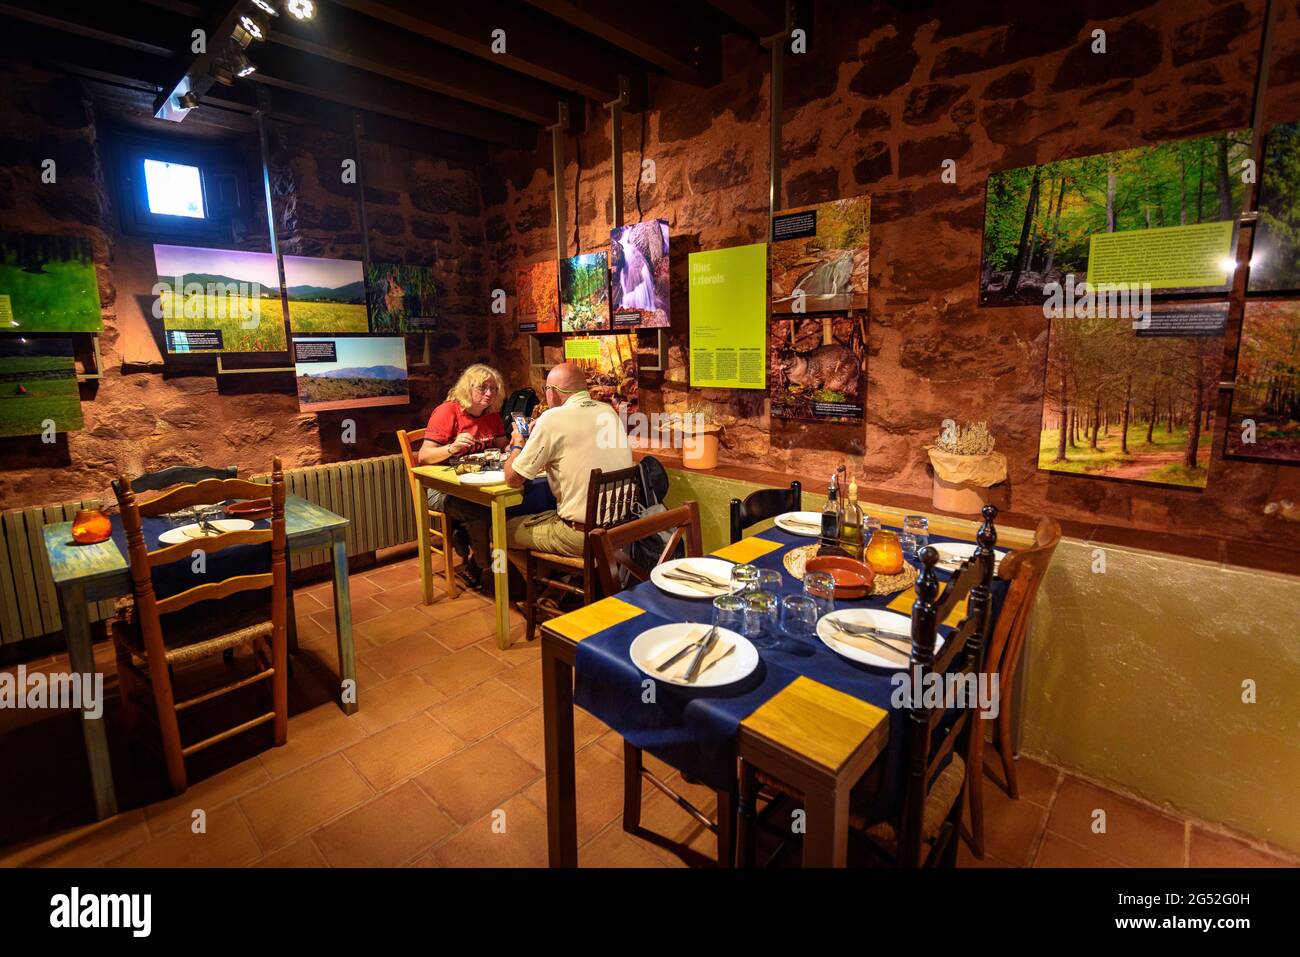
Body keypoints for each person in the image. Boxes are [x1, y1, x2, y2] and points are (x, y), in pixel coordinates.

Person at [502, 362, 633, 560]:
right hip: (620, 529)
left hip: (581, 536)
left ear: (553, 392)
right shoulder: (608, 412)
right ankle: (557, 578)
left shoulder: (552, 418)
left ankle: (536, 585)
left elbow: (513, 478)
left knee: (501, 530)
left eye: (546, 389)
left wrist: (517, 444)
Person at [418, 363, 509, 587]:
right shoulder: (447, 411)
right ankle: (483, 566)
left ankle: (468, 539)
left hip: (478, 486)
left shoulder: (492, 416)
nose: (489, 393)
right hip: (442, 490)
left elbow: (503, 446)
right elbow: (423, 456)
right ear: (468, 388)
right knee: (480, 511)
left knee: (512, 505)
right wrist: (452, 447)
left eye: (494, 389)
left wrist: (518, 442)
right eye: (483, 388)